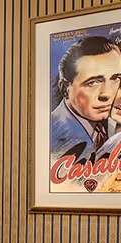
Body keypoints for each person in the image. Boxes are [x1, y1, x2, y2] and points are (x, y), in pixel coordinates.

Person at [50, 36, 121, 166]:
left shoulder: (112, 122)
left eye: (115, 78)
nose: (107, 94)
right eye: (93, 82)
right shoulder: (53, 138)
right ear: (65, 89)